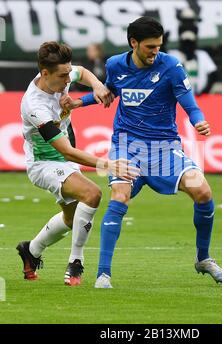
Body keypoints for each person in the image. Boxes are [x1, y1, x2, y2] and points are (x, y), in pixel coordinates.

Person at [61, 17, 222, 288]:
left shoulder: (172, 66)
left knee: (204, 193)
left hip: (165, 147)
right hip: (127, 145)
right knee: (119, 196)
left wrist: (198, 120)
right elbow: (109, 93)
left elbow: (190, 104)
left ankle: (203, 258)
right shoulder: (115, 64)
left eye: (159, 46)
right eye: (150, 46)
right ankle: (103, 274)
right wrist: (78, 103)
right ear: (134, 43)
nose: (155, 51)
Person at [17, 41, 139, 286]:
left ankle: (31, 249)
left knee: (73, 219)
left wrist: (97, 86)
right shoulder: (35, 106)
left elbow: (81, 71)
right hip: (44, 163)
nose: (67, 80)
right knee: (92, 194)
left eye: (67, 73)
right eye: (63, 76)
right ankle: (76, 261)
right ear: (44, 74)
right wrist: (109, 165)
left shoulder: (60, 73)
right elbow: (66, 151)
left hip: (64, 160)